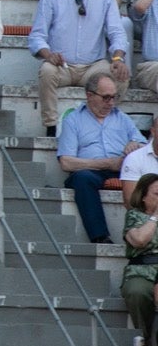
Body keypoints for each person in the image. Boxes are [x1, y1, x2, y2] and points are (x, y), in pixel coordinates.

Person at [31, 0, 129, 138]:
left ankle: (106, 122)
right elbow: (37, 35)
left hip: (93, 66)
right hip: (62, 66)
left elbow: (116, 32)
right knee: (47, 71)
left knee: (120, 74)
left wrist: (118, 58)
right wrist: (49, 55)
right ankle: (51, 126)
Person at [57, 68, 145, 244]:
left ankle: (143, 236)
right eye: (106, 97)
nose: (111, 102)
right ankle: (100, 237)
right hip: (91, 170)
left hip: (122, 168)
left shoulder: (122, 118)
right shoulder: (73, 120)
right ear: (89, 95)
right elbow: (66, 162)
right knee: (82, 179)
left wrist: (135, 145)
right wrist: (106, 163)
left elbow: (145, 146)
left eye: (114, 97)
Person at [122, 172, 158, 346]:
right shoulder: (134, 216)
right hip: (142, 270)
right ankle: (145, 340)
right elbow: (140, 240)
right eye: (157, 194)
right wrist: (155, 217)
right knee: (137, 291)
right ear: (143, 196)